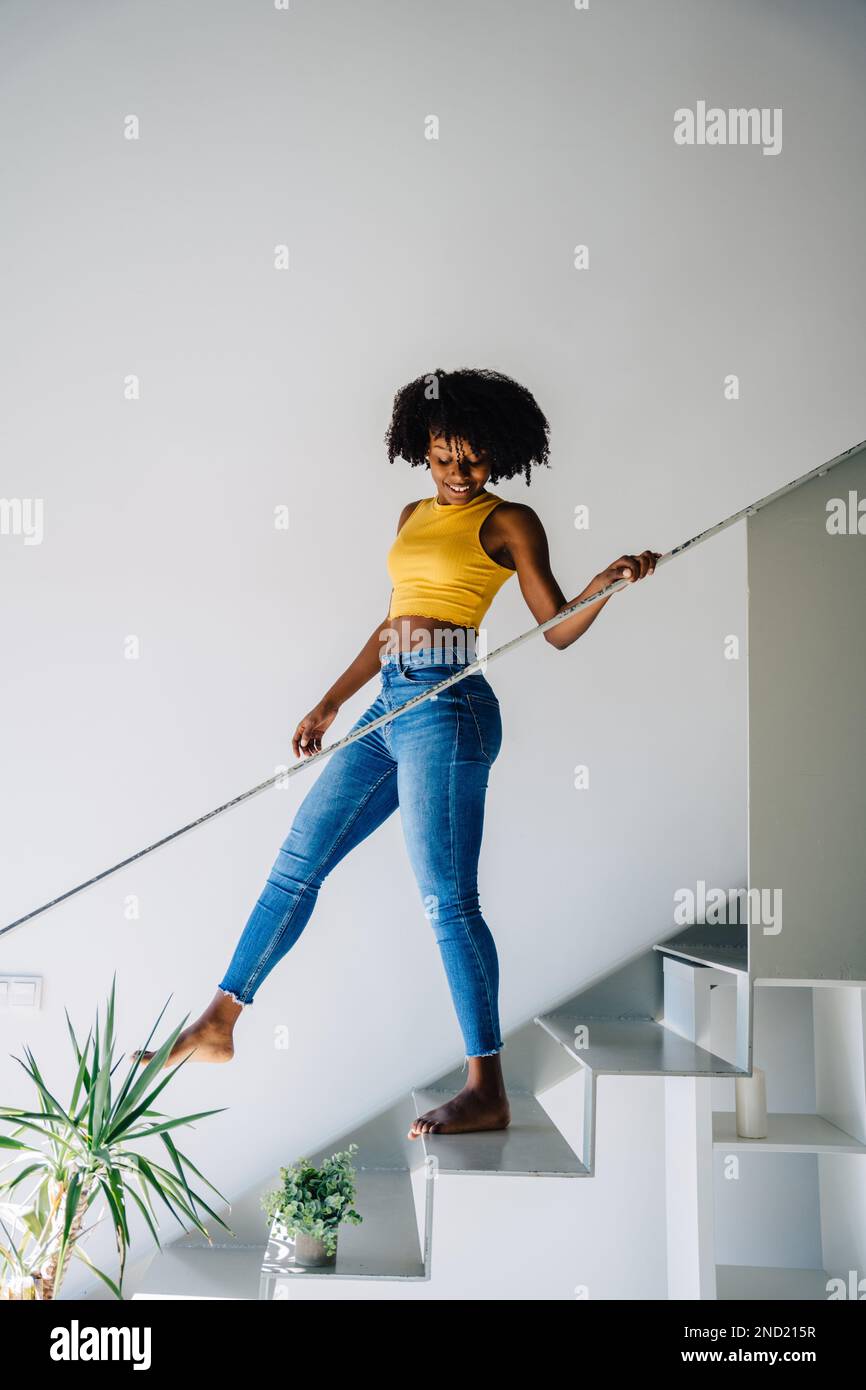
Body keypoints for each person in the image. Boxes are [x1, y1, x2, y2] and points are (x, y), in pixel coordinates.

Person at [131, 367, 658, 1138]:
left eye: (472, 461)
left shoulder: (510, 522)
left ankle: (488, 1085)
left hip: (449, 709)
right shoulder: (412, 511)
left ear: (496, 460)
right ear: (424, 447)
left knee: (448, 901)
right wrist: (332, 698)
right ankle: (219, 1020)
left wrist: (606, 584)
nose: (455, 474)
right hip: (389, 703)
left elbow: (555, 627)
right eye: (444, 456)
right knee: (297, 862)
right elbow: (390, 629)